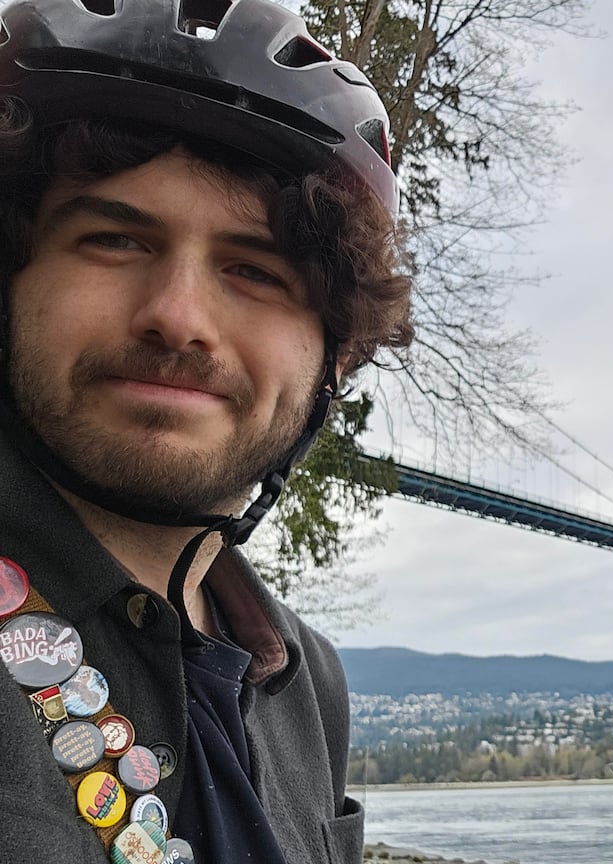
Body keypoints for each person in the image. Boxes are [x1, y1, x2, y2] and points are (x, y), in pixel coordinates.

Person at [0, 0, 412, 861]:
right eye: (115, 239)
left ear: (333, 356)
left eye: (254, 270)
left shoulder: (307, 679)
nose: (180, 317)